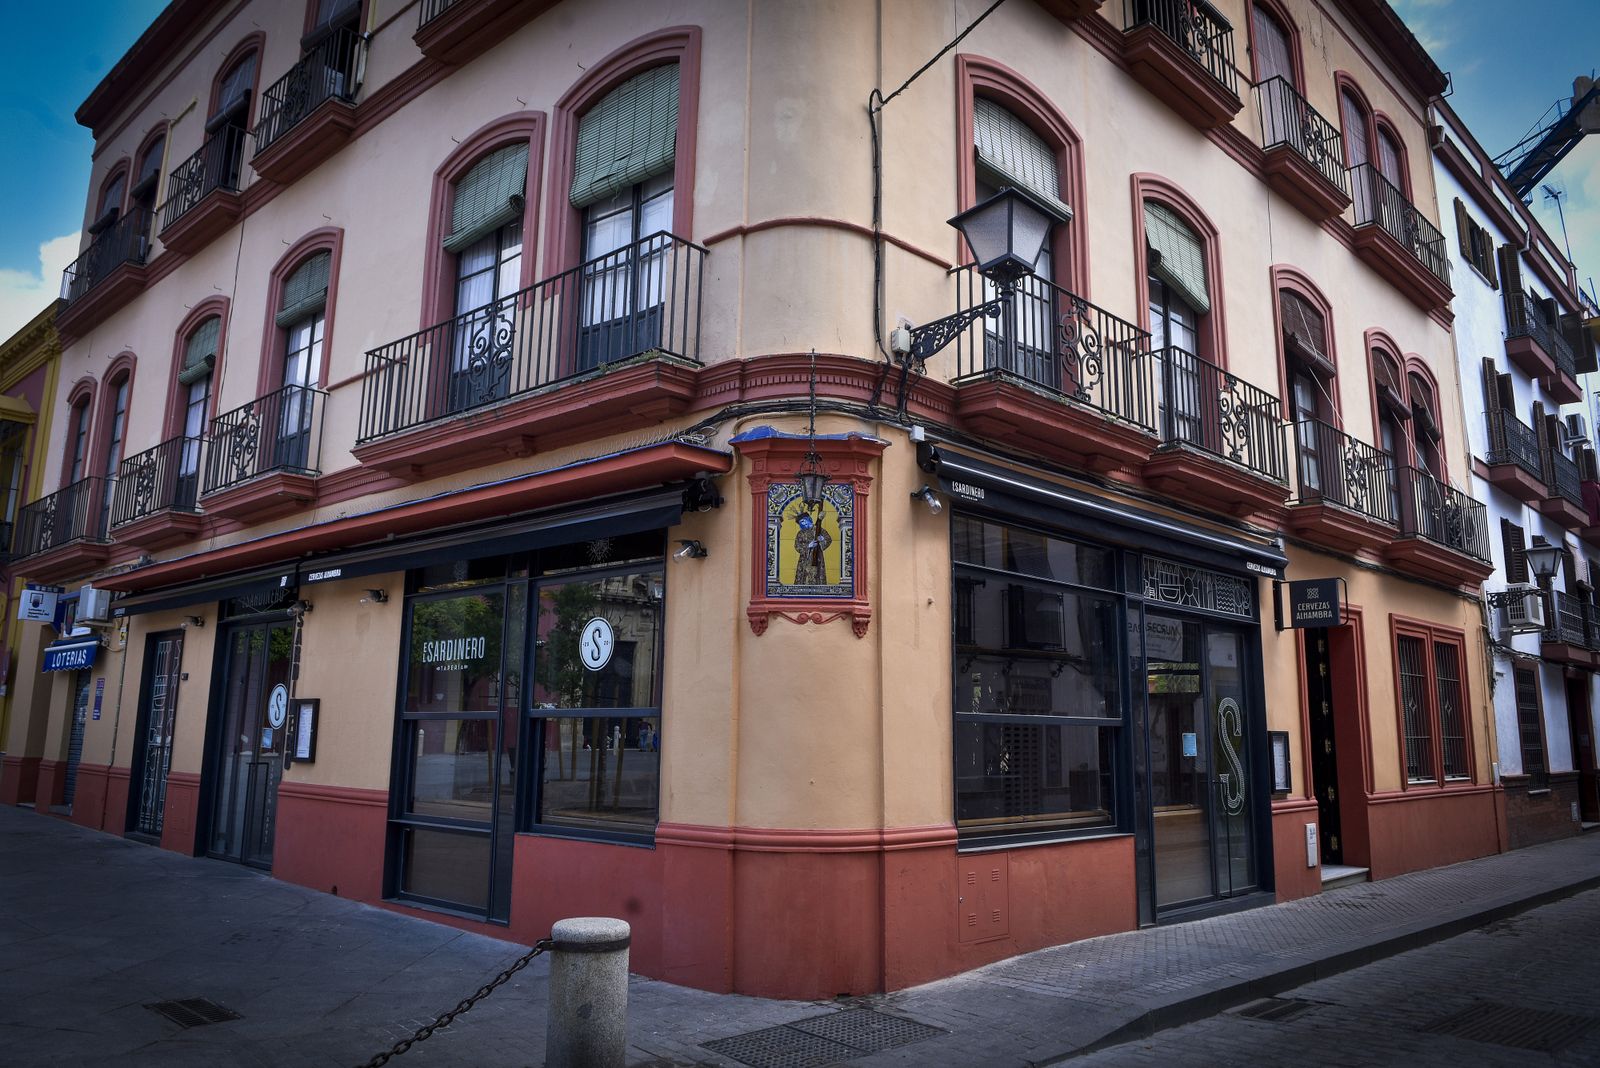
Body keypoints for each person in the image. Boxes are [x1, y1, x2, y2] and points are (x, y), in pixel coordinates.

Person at [793, 506, 831, 585]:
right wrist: (808, 546)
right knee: (803, 578)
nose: (803, 523)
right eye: (801, 523)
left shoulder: (819, 529)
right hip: (804, 559)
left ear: (808, 519)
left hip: (817, 557)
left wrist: (822, 539)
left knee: (817, 575)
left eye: (803, 521)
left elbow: (828, 539)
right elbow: (797, 545)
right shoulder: (801, 533)